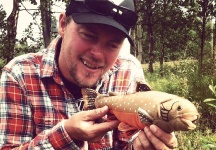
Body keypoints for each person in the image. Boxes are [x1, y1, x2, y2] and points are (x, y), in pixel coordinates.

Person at [0, 0, 178, 149]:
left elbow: (127, 141)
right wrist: (66, 135)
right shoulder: (19, 75)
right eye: (88, 36)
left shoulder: (128, 71)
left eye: (113, 45)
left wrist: (141, 145)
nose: (98, 55)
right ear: (62, 24)